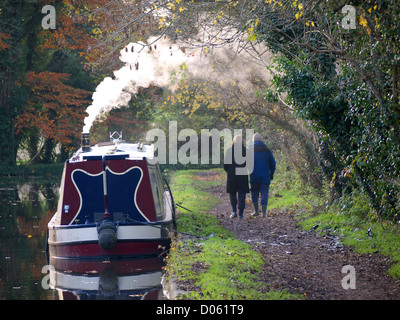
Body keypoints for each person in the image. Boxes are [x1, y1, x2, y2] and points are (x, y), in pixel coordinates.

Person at [223, 135, 250, 219]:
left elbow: (225, 165)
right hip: (242, 174)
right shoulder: (246, 151)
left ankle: (234, 211)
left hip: (232, 175)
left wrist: (229, 171)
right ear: (242, 141)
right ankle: (241, 213)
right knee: (242, 194)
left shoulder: (229, 151)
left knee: (232, 193)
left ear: (233, 141)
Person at [249, 133, 276, 217]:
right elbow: (273, 163)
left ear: (253, 140)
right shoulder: (266, 150)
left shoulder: (249, 149)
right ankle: (264, 213)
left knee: (254, 193)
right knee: (264, 193)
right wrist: (271, 173)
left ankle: (256, 211)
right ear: (261, 140)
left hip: (253, 176)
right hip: (265, 176)